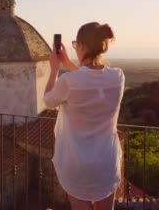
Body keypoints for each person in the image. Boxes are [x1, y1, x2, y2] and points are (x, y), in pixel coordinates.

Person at [43, 22, 125, 210]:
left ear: (82, 46)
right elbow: (90, 82)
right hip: (106, 160)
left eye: (75, 44)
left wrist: (55, 69)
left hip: (78, 163)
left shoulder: (68, 82)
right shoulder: (117, 77)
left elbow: (48, 101)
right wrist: (68, 64)